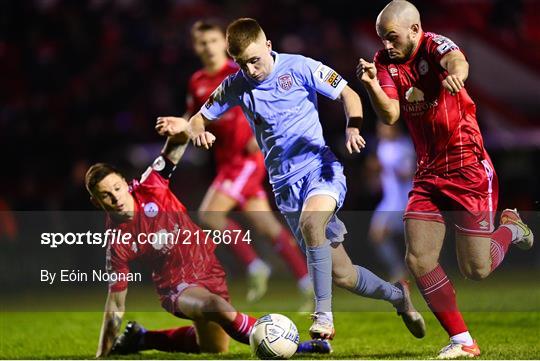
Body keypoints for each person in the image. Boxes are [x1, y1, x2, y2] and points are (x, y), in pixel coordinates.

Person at [159, 17, 426, 341]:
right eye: (243, 64)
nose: (252, 70)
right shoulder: (236, 83)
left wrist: (352, 126)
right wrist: (194, 130)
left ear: (269, 46)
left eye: (255, 60)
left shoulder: (299, 67)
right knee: (342, 274)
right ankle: (398, 296)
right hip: (285, 189)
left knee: (312, 224)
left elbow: (348, 93)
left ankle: (323, 315)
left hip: (320, 170)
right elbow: (200, 118)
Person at [357, 1, 534, 358]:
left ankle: (512, 228)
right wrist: (373, 86)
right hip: (428, 174)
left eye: (391, 38)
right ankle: (463, 341)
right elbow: (390, 114)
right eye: (381, 39)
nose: (386, 45)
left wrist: (457, 75)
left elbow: (458, 61)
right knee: (418, 259)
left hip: (468, 169)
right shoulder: (383, 61)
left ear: (414, 29)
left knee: (476, 269)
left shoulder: (435, 44)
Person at [89, 117, 330, 357]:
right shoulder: (117, 242)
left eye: (117, 188)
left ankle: (141, 337)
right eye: (106, 196)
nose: (115, 197)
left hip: (209, 269)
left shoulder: (151, 185)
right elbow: (116, 305)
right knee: (216, 307)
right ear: (97, 203)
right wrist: (102, 354)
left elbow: (178, 143)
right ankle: (295, 347)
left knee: (213, 347)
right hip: (176, 286)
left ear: (124, 182)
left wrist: (181, 129)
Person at [184, 20, 313, 307]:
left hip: (246, 159)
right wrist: (182, 126)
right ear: (196, 47)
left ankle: (255, 265)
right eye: (202, 42)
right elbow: (195, 117)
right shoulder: (197, 81)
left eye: (213, 41)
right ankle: (307, 281)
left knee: (209, 214)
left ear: (224, 44)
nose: (208, 47)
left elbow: (268, 98)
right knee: (268, 226)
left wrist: (263, 130)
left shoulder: (240, 71)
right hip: (225, 162)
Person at [368, 122, 414, 282]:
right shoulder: (382, 146)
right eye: (379, 128)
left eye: (383, 128)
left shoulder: (405, 146)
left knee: (384, 234)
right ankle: (400, 271)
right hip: (388, 201)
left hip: (403, 200)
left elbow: (407, 174)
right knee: (377, 235)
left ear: (394, 128)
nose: (380, 131)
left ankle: (404, 271)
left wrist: (386, 167)